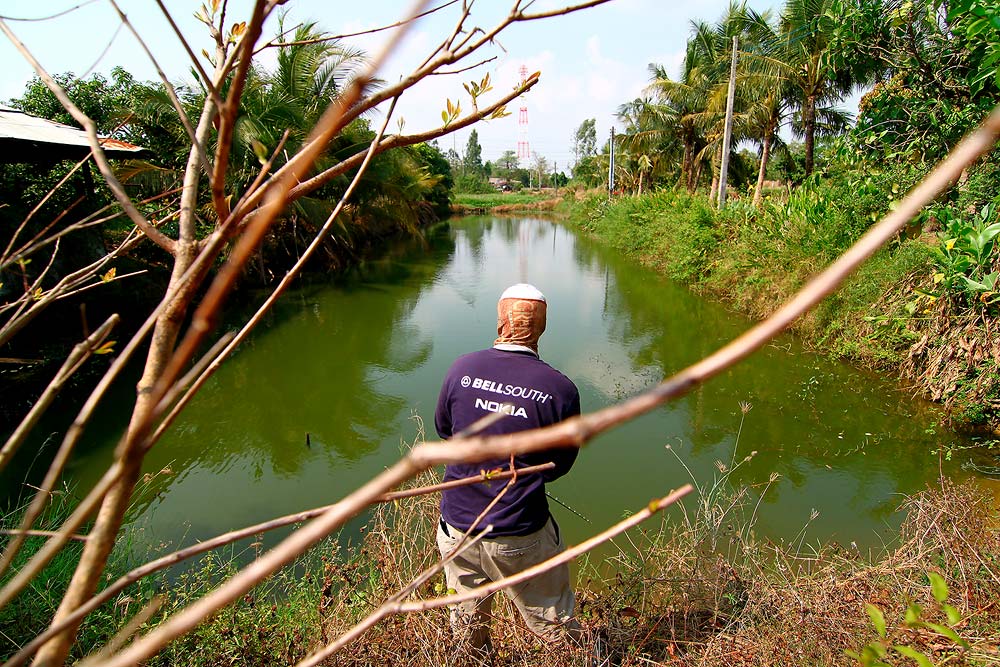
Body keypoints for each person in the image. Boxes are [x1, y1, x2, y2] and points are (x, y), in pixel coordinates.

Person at [434, 283, 582, 660]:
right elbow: (558, 465)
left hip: (457, 528)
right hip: (519, 533)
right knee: (555, 625)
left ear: (500, 322)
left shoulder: (461, 368)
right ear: (542, 328)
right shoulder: (559, 389)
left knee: (466, 631)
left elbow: (446, 432)